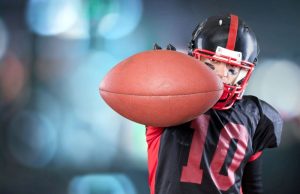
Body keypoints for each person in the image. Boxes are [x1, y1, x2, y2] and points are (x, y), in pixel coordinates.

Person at [146, 14, 283, 194]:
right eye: (211, 65)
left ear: (244, 72)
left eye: (232, 69)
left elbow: (252, 185)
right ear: (194, 59)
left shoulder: (256, 116)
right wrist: (162, 80)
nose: (223, 77)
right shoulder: (172, 99)